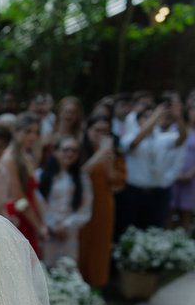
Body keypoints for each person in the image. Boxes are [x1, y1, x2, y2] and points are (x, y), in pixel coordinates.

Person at [118, 93, 189, 233]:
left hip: (158, 194)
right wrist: (156, 115)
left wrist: (178, 117)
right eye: (146, 117)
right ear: (138, 121)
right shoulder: (129, 136)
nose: (151, 119)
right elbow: (134, 144)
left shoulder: (163, 137)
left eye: (152, 117)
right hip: (134, 193)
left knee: (154, 231)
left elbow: (182, 138)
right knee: (128, 231)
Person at [77, 115, 127, 287]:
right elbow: (74, 178)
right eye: (97, 130)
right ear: (88, 131)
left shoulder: (116, 153)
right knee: (80, 245)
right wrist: (96, 158)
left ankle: (97, 287)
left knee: (100, 245)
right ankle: (78, 286)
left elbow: (117, 183)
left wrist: (110, 162)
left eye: (105, 131)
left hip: (103, 206)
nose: (100, 134)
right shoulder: (77, 150)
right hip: (79, 205)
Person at [35, 137, 93, 267]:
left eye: (74, 151)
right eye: (66, 150)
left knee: (65, 270)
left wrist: (66, 226)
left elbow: (85, 208)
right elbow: (37, 203)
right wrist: (52, 225)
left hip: (68, 234)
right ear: (55, 151)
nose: (69, 154)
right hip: (45, 232)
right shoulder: (40, 175)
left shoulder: (83, 179)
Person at [1, 113, 46, 253]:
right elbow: (18, 196)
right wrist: (39, 226)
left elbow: (32, 193)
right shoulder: (9, 159)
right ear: (16, 131)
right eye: (28, 131)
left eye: (36, 132)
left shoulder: (27, 157)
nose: (33, 136)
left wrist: (41, 222)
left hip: (29, 215)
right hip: (18, 216)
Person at [172, 98, 195, 233]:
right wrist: (175, 172)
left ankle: (182, 242)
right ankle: (163, 240)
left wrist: (190, 173)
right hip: (172, 174)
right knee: (170, 209)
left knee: (186, 211)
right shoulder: (176, 128)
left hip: (191, 177)